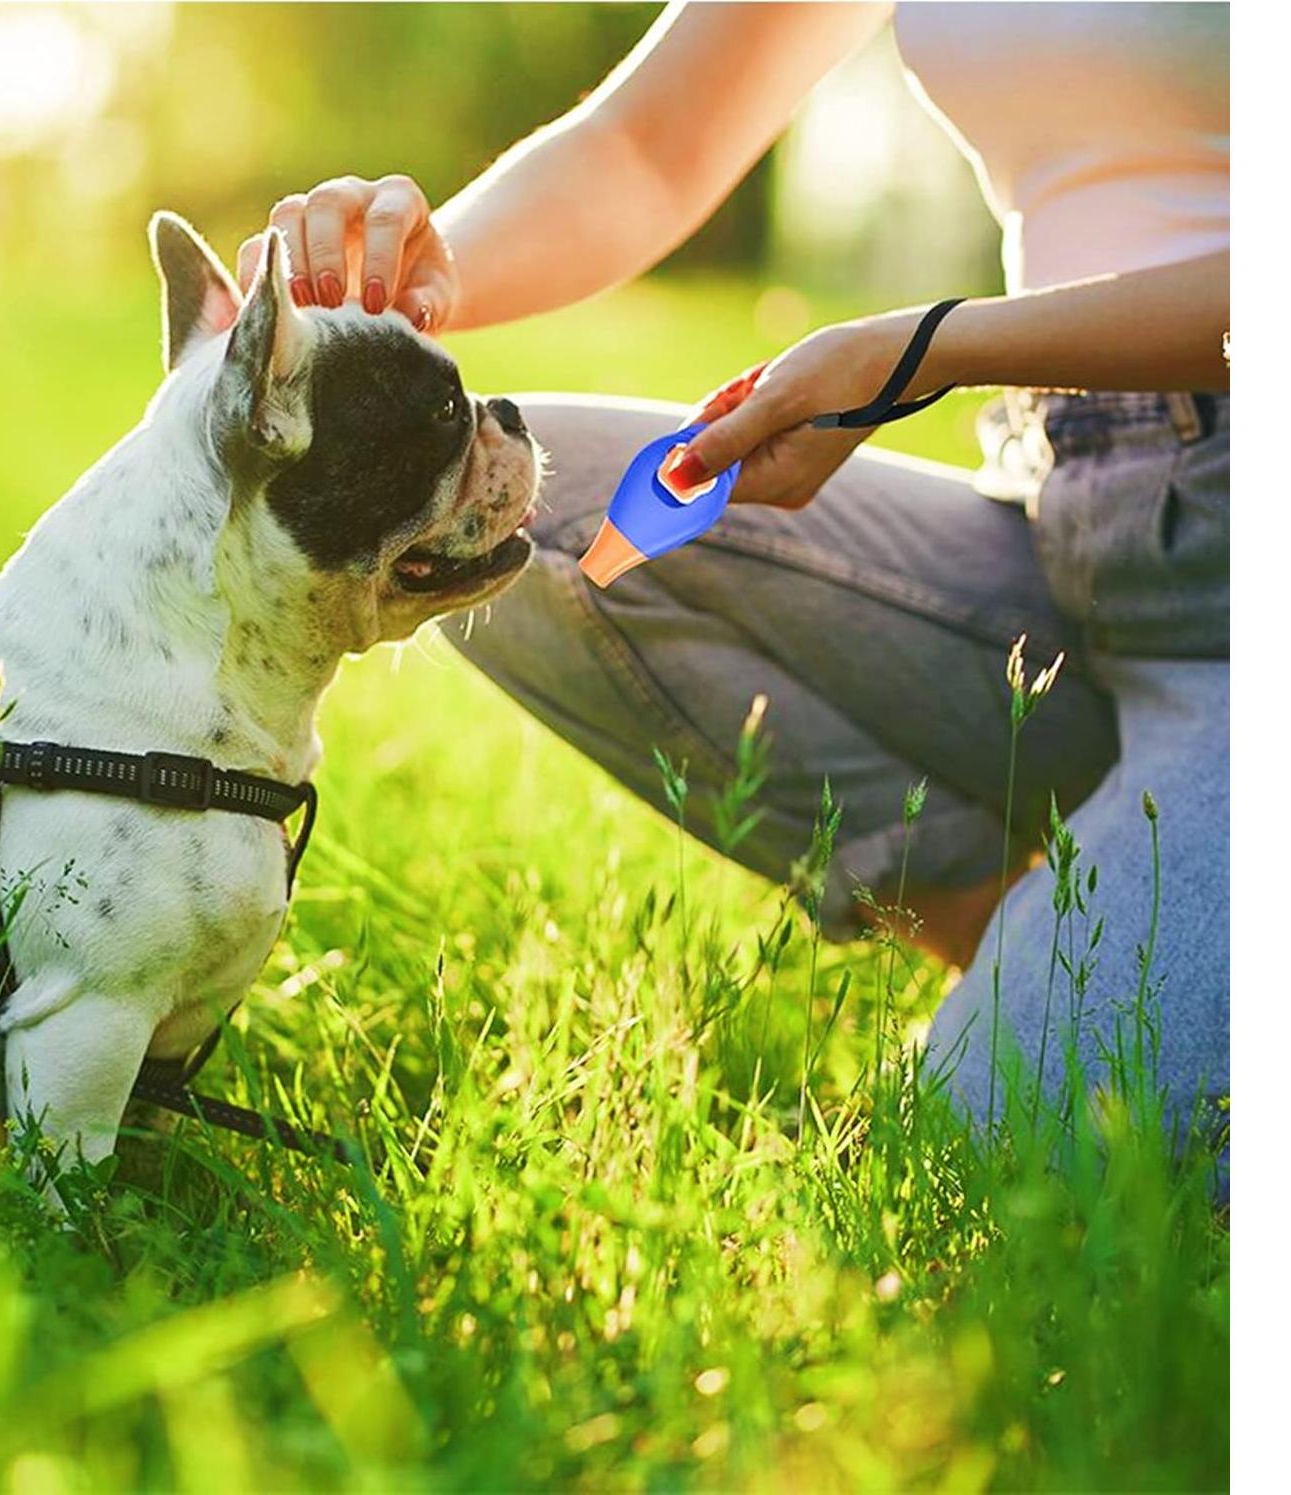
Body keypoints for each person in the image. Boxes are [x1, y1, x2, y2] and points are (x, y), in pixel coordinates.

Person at [238, 2, 1229, 1136]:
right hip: (1072, 515)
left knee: (1007, 1150)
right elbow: (645, 150)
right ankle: (1015, 929)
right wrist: (402, 290)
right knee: (522, 521)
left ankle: (1110, 961)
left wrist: (933, 347)